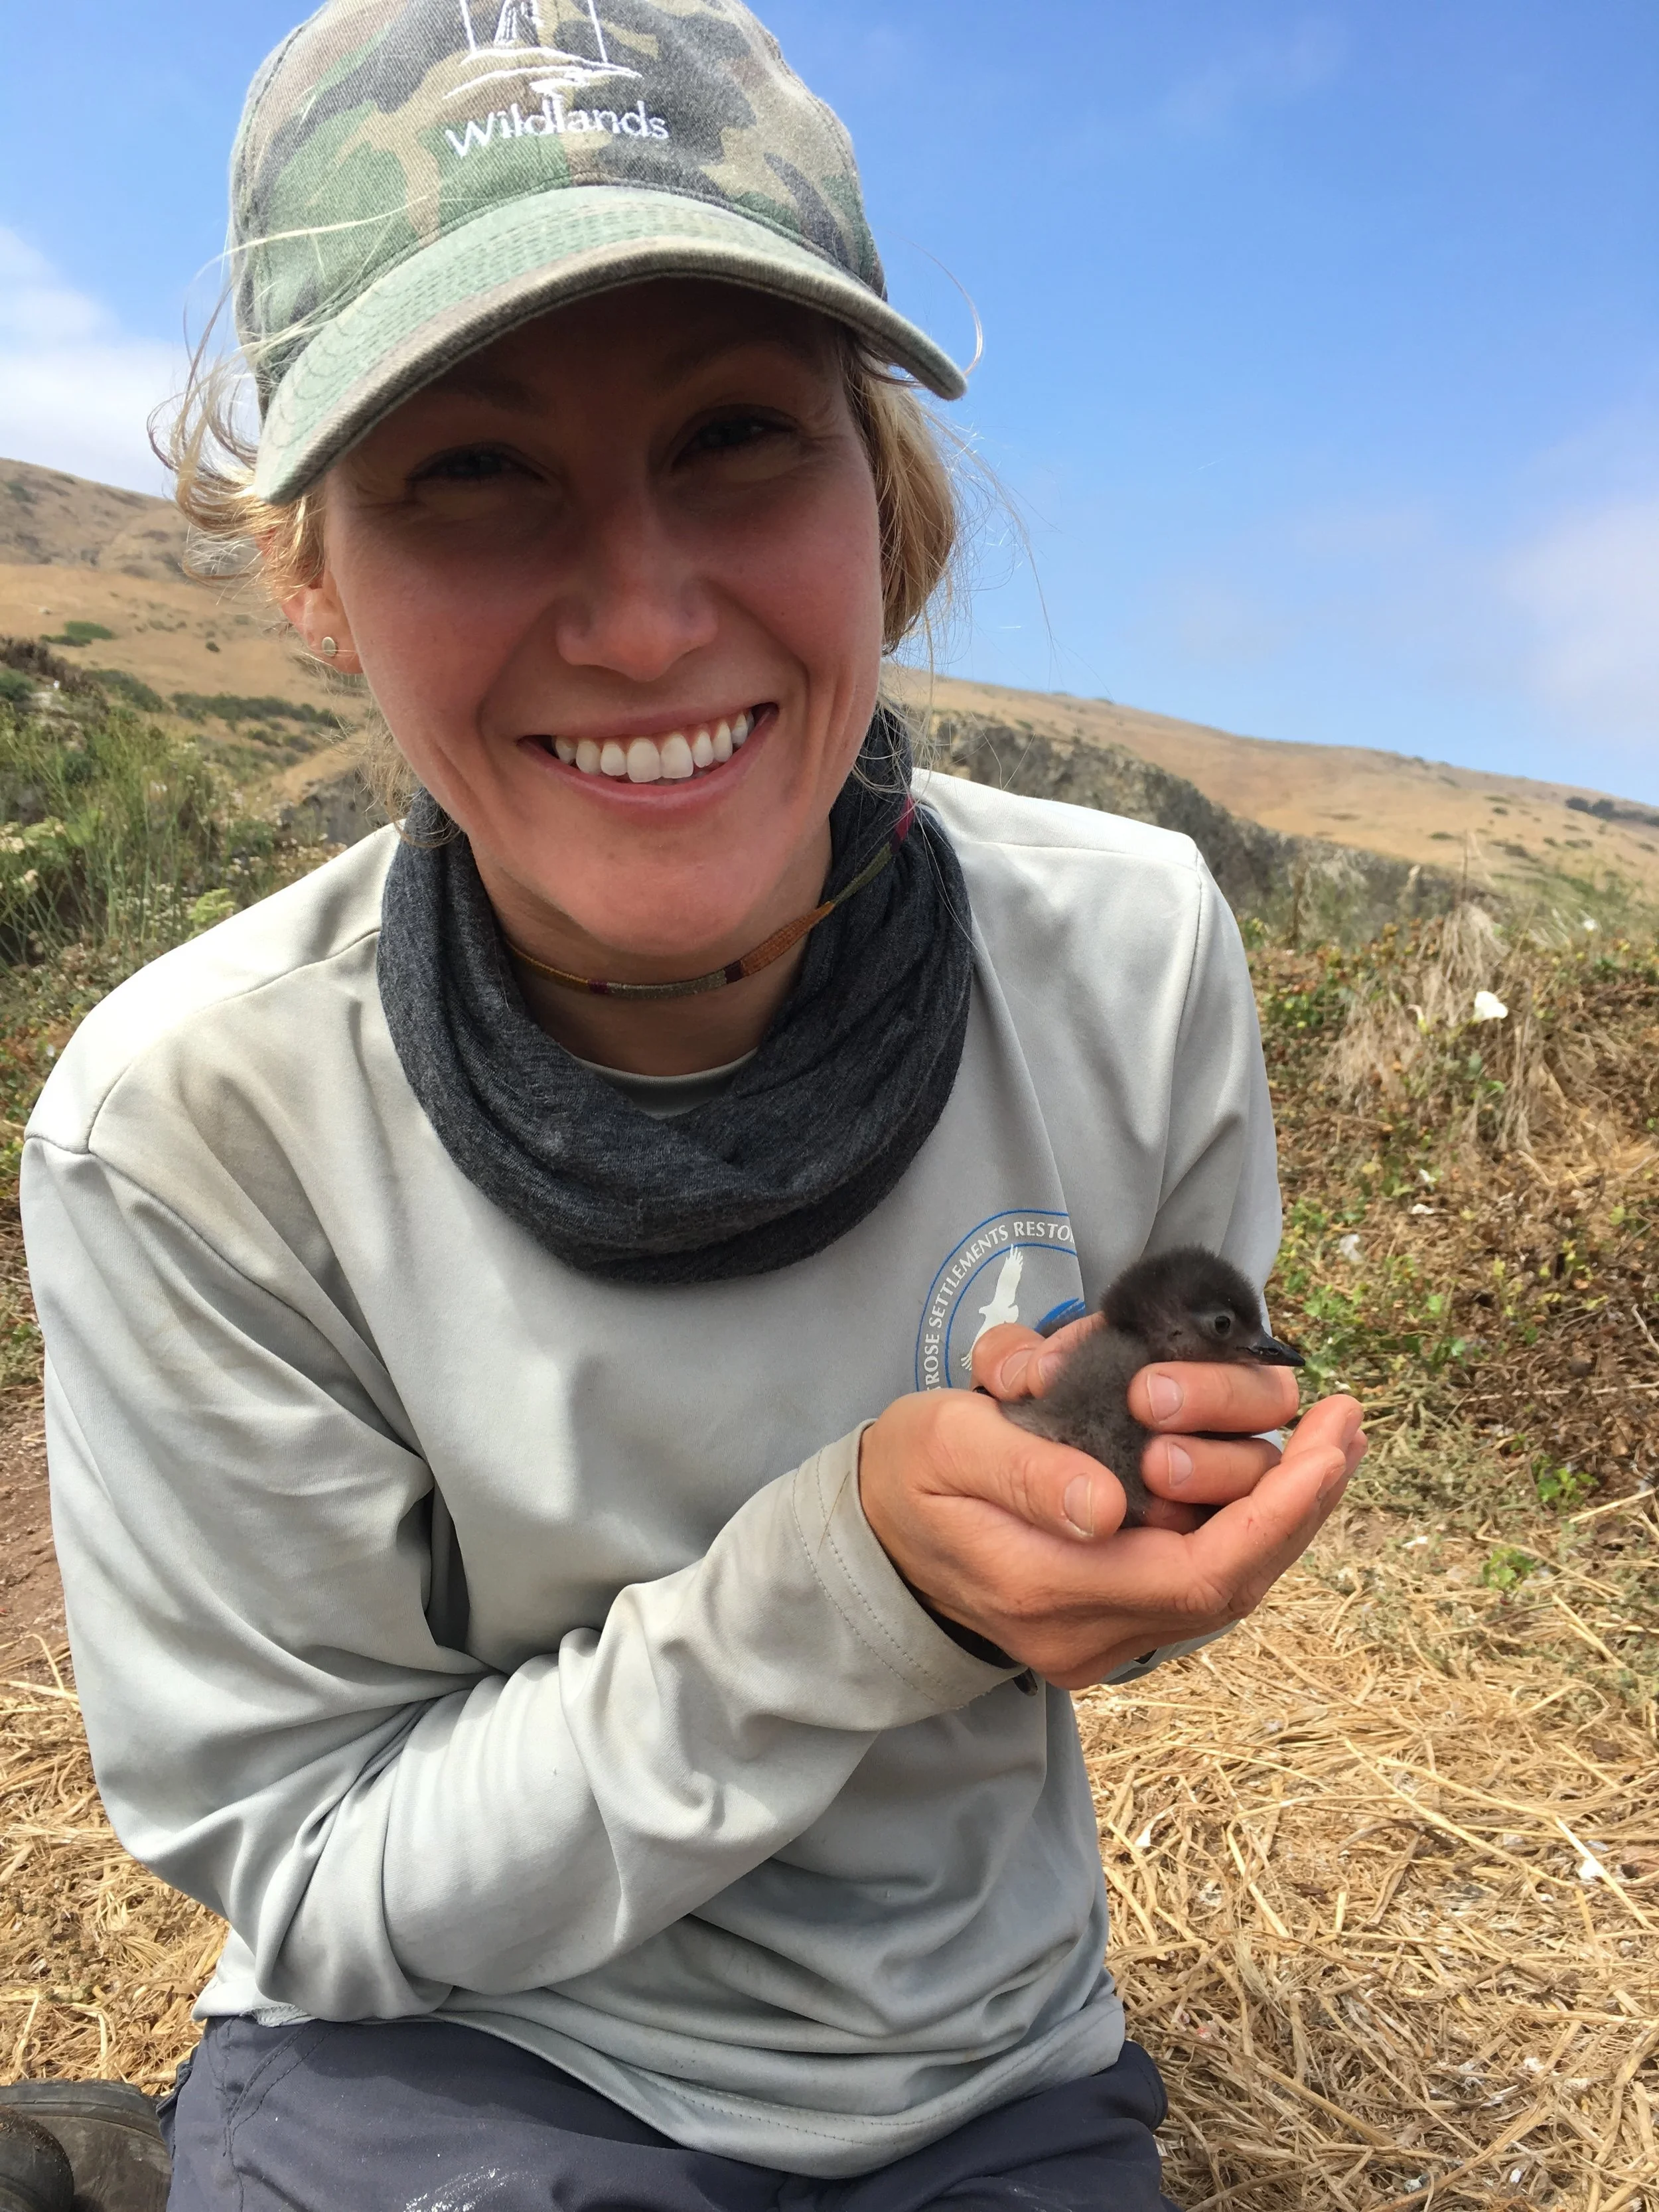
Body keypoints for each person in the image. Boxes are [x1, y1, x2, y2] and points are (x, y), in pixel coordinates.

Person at [20, 5, 1364, 2207]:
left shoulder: (1127, 959)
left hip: (980, 2065)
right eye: (466, 470)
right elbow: (317, 1866)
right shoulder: (193, 1125)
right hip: (466, 2052)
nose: (642, 620)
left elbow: (1138, 1497)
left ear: (885, 493)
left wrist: (1130, 1540)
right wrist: (846, 1587)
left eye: (736, 435)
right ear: (312, 571)